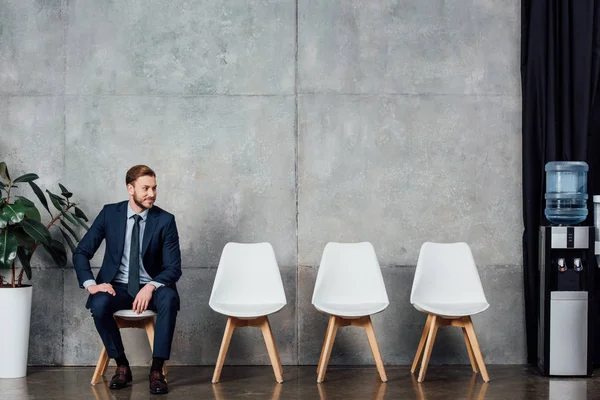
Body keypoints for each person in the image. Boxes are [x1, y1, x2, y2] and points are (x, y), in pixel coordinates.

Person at [74, 165, 181, 395]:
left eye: (154, 188)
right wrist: (91, 284)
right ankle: (121, 364)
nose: (151, 194)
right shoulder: (110, 213)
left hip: (151, 285)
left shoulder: (165, 220)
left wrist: (151, 286)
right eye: (145, 188)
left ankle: (156, 370)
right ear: (130, 189)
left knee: (169, 298)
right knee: (99, 304)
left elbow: (173, 268)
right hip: (118, 287)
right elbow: (81, 251)